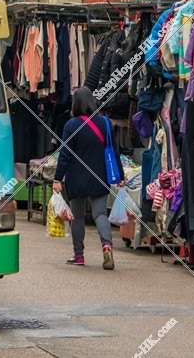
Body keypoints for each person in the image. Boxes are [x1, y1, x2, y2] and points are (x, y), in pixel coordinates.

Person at [52, 88, 125, 270]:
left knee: (78, 217)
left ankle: (79, 255)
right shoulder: (106, 123)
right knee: (100, 214)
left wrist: (57, 178)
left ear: (75, 104)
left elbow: (65, 155)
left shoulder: (71, 125)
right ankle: (107, 245)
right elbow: (114, 151)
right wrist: (120, 176)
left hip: (76, 178)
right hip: (99, 177)